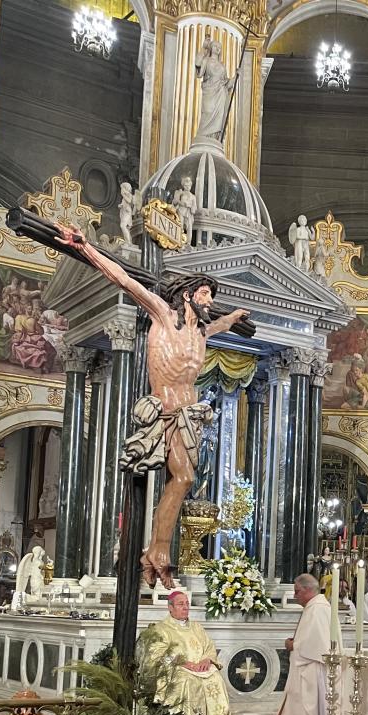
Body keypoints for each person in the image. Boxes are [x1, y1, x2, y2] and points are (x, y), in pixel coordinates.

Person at [58, 225, 249, 587]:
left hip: (189, 415)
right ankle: (150, 551)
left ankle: (158, 550)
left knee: (186, 479)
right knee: (163, 478)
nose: (209, 300)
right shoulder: (163, 315)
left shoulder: (200, 333)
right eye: (205, 293)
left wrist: (233, 317)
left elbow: (219, 325)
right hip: (161, 413)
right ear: (189, 295)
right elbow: (126, 282)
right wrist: (86, 249)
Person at [136, 589, 231, 715]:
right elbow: (156, 654)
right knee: (187, 680)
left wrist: (207, 661)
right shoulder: (161, 629)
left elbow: (209, 647)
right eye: (181, 604)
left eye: (187, 603)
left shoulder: (196, 627)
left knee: (215, 677)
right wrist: (184, 663)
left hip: (200, 668)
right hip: (176, 669)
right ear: (170, 607)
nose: (186, 607)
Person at [264, 575, 330, 715]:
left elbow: (319, 644)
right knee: (295, 713)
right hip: (307, 668)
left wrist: (293, 645)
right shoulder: (317, 607)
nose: (295, 596)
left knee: (295, 712)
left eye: (298, 591)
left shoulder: (318, 609)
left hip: (311, 670)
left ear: (308, 590)